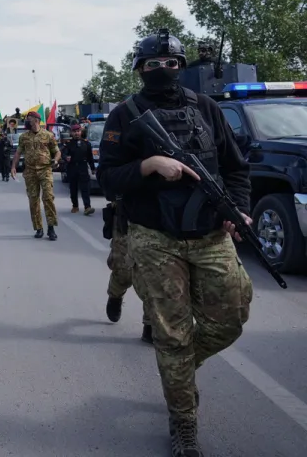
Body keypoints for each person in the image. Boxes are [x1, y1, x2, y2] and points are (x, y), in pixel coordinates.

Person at [97, 28, 253, 457]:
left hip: (210, 233)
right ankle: (184, 421)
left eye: (170, 64)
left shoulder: (205, 107)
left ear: (181, 67)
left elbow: (236, 169)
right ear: (140, 70)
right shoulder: (125, 115)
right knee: (171, 335)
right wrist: (148, 164)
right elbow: (107, 178)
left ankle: (179, 370)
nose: (162, 70)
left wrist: (238, 209)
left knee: (232, 315)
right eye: (153, 65)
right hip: (154, 238)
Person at [104, 194, 152, 343]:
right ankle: (115, 295)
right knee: (123, 269)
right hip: (128, 214)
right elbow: (107, 179)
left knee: (155, 274)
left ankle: (151, 325)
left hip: (161, 218)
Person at [11, 111, 60, 240]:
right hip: (30, 171)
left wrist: (55, 160)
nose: (27, 121)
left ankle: (51, 228)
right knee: (33, 200)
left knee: (48, 198)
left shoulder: (49, 135)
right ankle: (38, 228)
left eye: (29, 119)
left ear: (37, 120)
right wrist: (13, 167)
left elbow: (57, 152)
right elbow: (18, 153)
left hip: (45, 170)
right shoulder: (24, 137)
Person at [61, 124, 96, 215]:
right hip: (72, 168)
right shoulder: (68, 144)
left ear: (81, 132)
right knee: (73, 188)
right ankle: (75, 206)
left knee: (85, 188)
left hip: (83, 167)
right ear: (71, 133)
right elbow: (63, 154)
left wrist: (92, 168)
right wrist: (66, 157)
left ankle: (87, 207)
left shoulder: (86, 143)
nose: (77, 133)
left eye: (78, 131)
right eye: (75, 132)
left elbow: (90, 157)